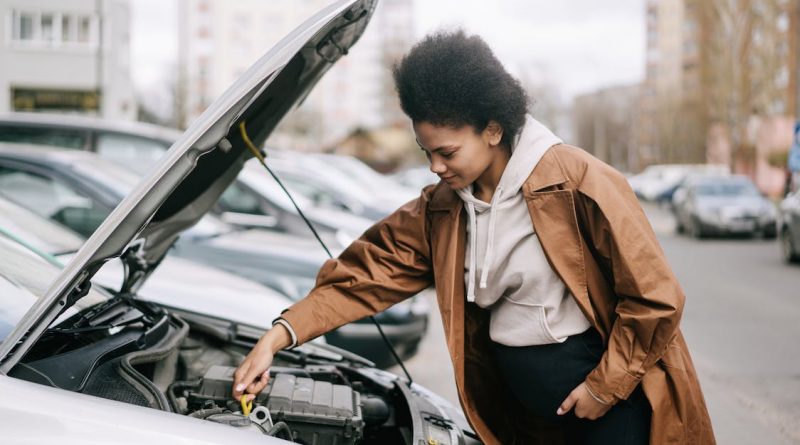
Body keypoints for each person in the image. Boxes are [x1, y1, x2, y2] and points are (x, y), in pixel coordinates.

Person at [232, 30, 715, 445]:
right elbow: (365, 273)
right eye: (426, 151)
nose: (434, 166)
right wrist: (278, 336)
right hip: (530, 421)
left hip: (611, 414)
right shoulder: (442, 207)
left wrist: (602, 389)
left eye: (446, 151)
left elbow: (655, 297)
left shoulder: (576, 181)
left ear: (492, 129)